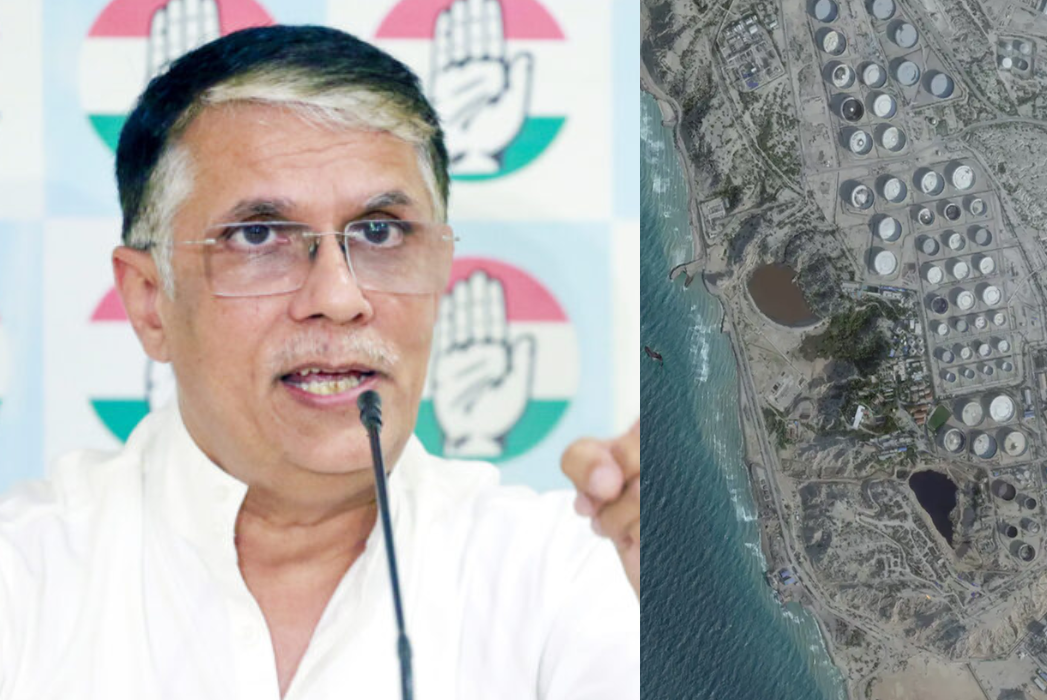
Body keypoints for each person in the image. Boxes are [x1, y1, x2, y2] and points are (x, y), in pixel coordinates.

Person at [0, 25, 638, 700]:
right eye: (258, 236)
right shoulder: (24, 578)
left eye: (380, 232)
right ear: (151, 301)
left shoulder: (579, 578)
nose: (338, 298)